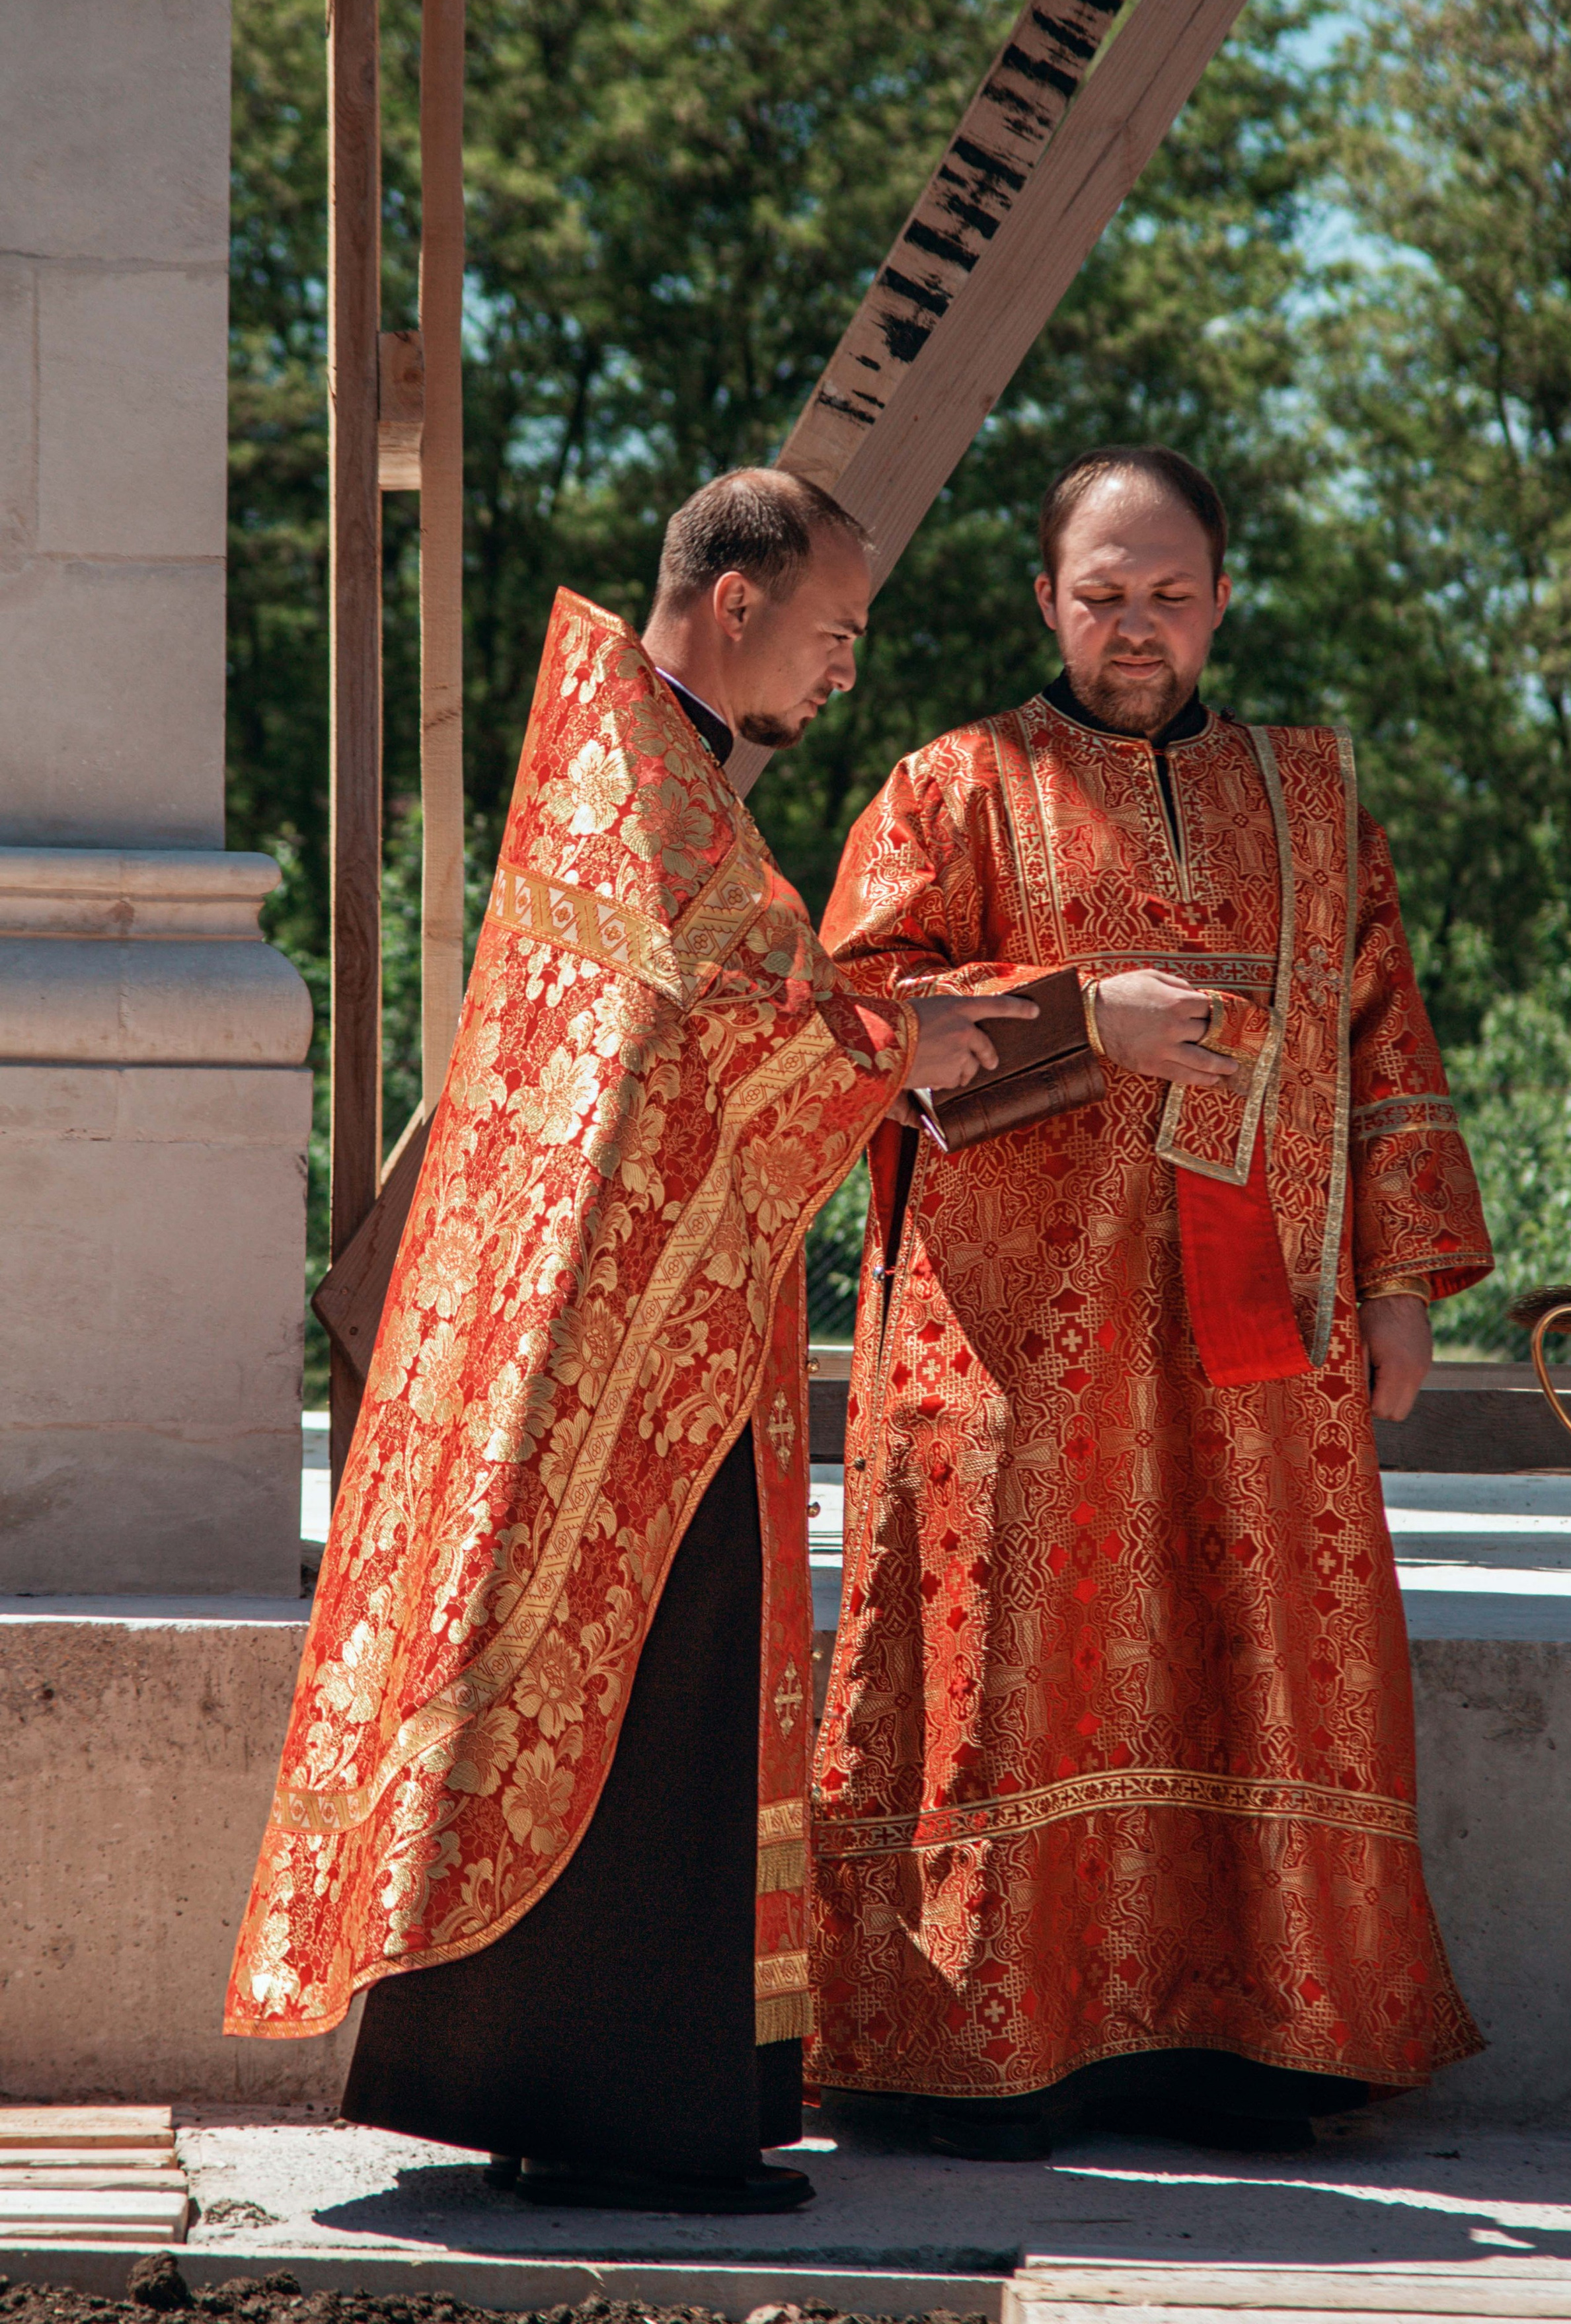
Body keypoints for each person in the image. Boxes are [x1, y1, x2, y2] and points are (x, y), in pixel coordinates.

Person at [224, 469, 1034, 2214]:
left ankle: (568, 2089)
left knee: (665, 1696)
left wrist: (884, 1040)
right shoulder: (642, 785)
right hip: (611, 1368)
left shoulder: (648, 773)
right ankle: (623, 2120)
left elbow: (723, 1041)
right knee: (653, 1699)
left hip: (641, 1339)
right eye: (830, 634)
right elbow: (727, 1056)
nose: (841, 675)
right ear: (735, 601)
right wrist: (930, 1038)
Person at [810, 444, 1494, 2160]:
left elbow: (1383, 1041)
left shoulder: (1316, 797)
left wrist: (1405, 1280)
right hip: (1009, 1344)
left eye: (1170, 593)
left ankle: (1259, 2041)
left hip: (1259, 1354)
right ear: (1045, 598)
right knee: (1006, 1677)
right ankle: (975, 2047)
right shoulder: (948, 789)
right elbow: (853, 1020)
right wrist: (1074, 1023)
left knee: (1251, 1661)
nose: (1137, 626)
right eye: (1103, 594)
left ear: (1222, 600)